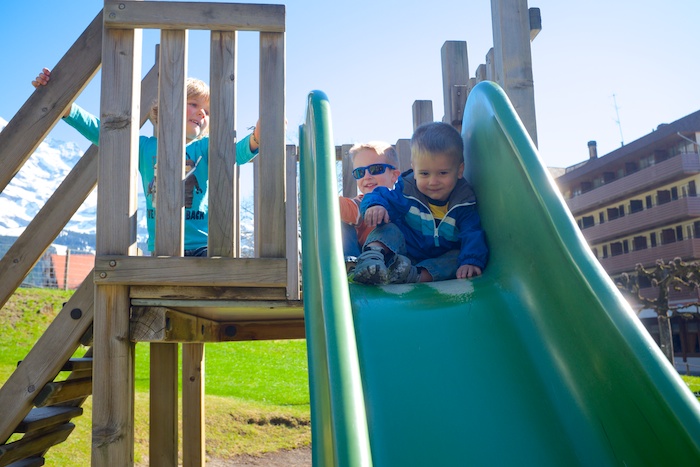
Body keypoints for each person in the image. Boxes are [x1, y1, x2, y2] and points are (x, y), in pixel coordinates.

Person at [32, 67, 261, 256]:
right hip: (163, 247)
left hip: (205, 247)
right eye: (193, 104)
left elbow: (233, 154)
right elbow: (102, 133)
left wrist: (255, 139)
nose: (202, 113)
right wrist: (67, 108)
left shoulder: (204, 147)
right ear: (166, 107)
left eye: (207, 111)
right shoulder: (145, 147)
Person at [355, 121, 488, 284]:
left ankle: (412, 276)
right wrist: (375, 205)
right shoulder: (407, 193)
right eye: (424, 173)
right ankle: (372, 258)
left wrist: (471, 261)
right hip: (403, 252)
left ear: (459, 170)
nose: (433, 181)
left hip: (433, 260)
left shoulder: (463, 203)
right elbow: (381, 195)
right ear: (414, 170)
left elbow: (472, 232)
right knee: (388, 228)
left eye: (442, 173)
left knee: (455, 257)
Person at [339, 141, 400, 259]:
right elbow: (337, 207)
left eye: (376, 169)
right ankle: (350, 263)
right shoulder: (362, 202)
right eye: (360, 172)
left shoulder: (403, 201)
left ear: (394, 175)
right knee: (342, 222)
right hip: (366, 261)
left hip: (397, 259)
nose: (367, 176)